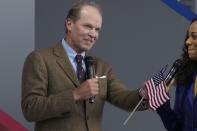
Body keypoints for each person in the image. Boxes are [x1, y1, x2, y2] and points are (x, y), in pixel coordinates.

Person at [21, 1, 147, 131]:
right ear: (69, 24)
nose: (93, 34)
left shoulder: (102, 67)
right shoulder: (40, 59)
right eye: (88, 26)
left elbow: (123, 98)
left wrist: (143, 94)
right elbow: (30, 108)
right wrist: (75, 95)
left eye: (97, 29)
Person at [156, 18, 197, 131]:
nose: (188, 41)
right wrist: (162, 103)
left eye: (194, 36)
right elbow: (176, 128)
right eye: (188, 36)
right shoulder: (186, 78)